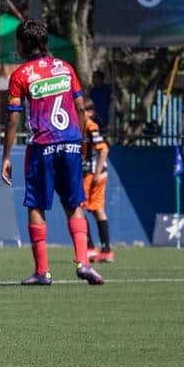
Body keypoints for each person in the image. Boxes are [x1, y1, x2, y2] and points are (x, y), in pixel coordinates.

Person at [1, 19, 104, 286]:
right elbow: (80, 108)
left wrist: (6, 156)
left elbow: (13, 118)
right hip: (71, 144)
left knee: (36, 205)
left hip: (42, 146)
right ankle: (83, 262)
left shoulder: (20, 75)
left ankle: (42, 271)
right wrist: (78, 142)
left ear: (21, 46)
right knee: (74, 204)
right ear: (45, 42)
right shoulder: (66, 68)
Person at [81, 99, 114, 263]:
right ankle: (102, 250)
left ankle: (92, 248)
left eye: (84, 111)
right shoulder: (80, 127)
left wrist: (96, 173)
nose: (81, 114)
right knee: (94, 210)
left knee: (79, 208)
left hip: (94, 174)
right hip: (88, 173)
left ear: (91, 112)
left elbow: (104, 150)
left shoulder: (91, 127)